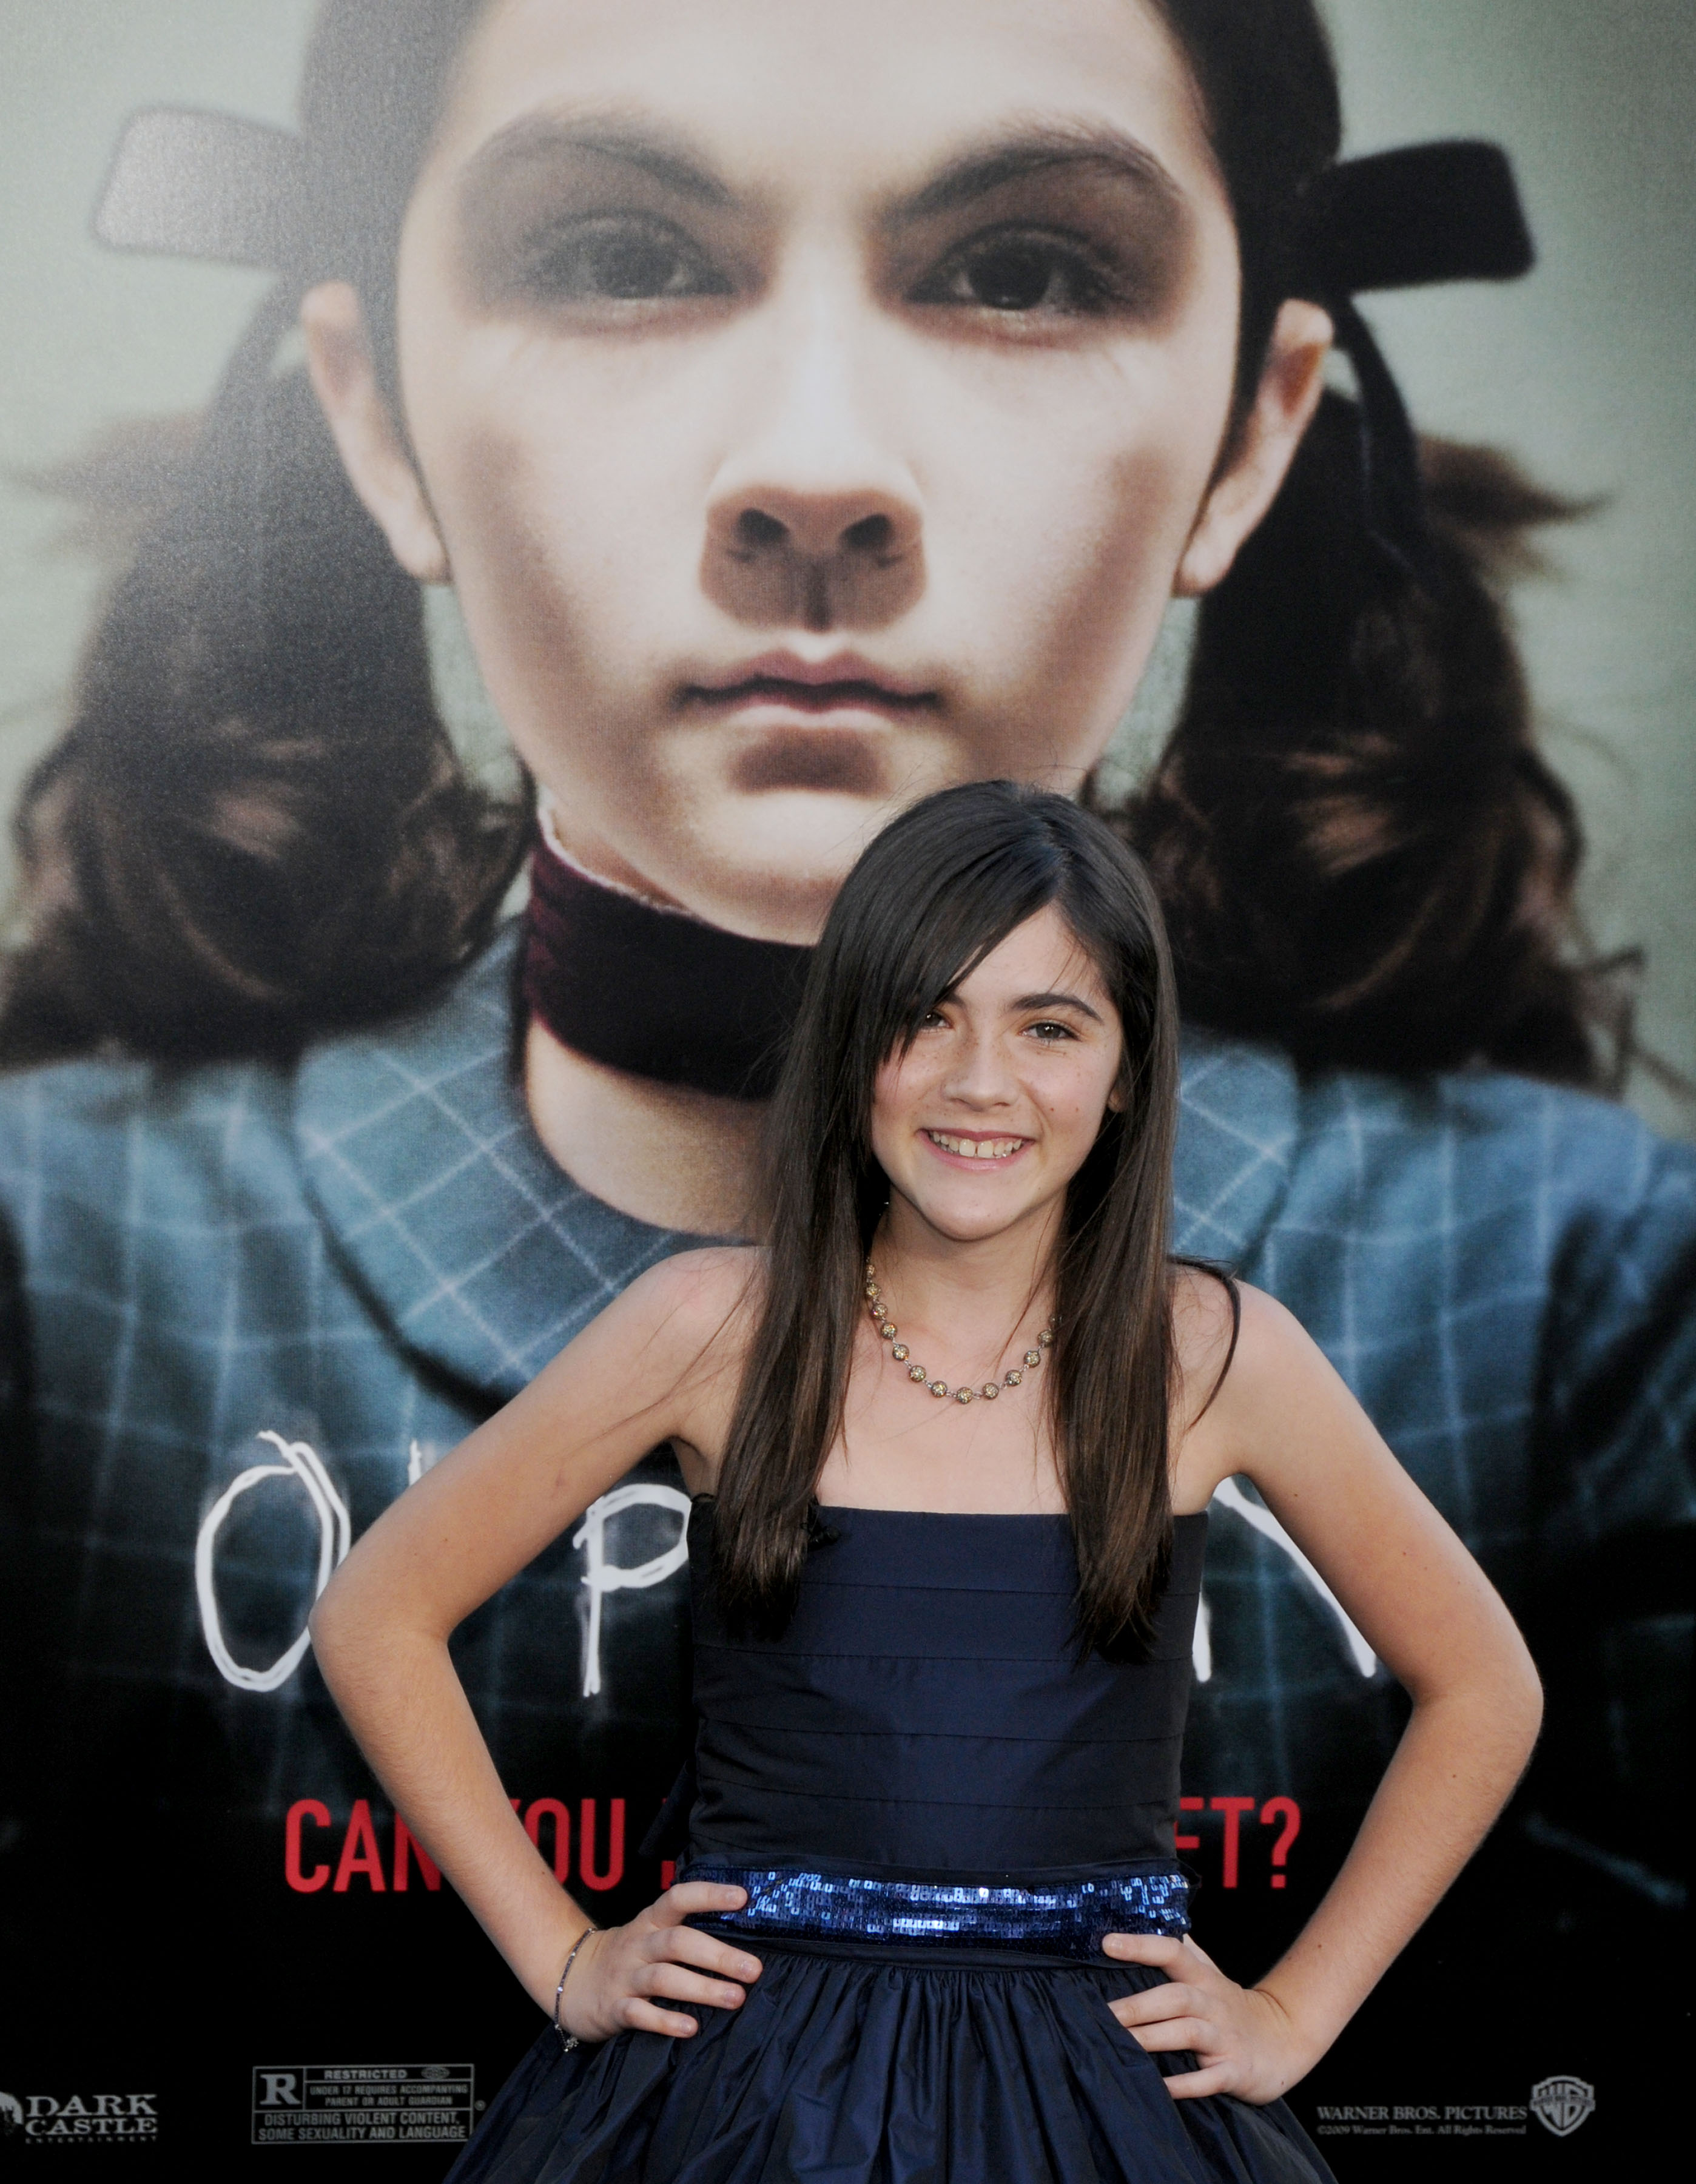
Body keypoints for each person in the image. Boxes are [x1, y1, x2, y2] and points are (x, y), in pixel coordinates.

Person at [0, 0, 1687, 2129]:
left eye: (1020, 265)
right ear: (382, 418)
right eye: (616, 252)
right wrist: (561, 1948)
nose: (815, 470)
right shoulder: (51, 1263)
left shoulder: (1572, 1280)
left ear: (1254, 434)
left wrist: (1287, 2019)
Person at [309, 782, 1543, 2183]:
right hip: (741, 2105)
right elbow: (378, 1613)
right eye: (927, 1017)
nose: (980, 1082)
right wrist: (564, 1952)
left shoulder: (1207, 1351)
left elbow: (1485, 1689)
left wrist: (1293, 2013)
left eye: (1050, 1027)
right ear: (852, 1051)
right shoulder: (711, 1325)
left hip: (1104, 2109)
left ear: (1130, 1069)